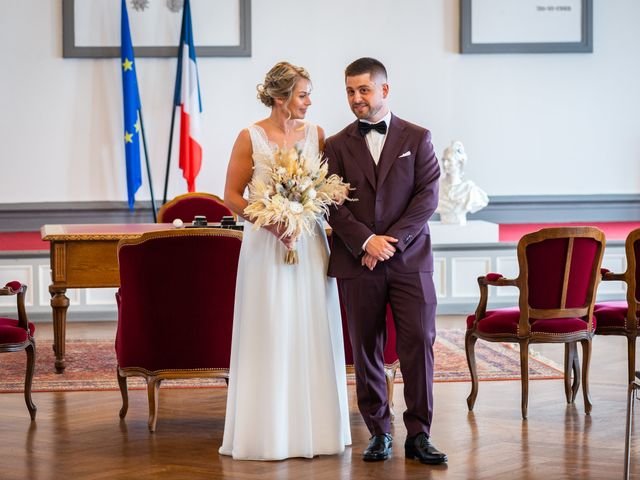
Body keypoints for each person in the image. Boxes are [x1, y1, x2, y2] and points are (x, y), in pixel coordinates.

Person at [219, 61, 351, 460]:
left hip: (309, 244)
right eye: (303, 94)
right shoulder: (251, 136)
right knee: (271, 325)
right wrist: (272, 222)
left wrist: (313, 208)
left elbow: (326, 189)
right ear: (280, 97)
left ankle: (318, 431)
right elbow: (231, 195)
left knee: (310, 325)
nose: (310, 102)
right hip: (265, 246)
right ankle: (267, 431)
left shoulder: (318, 135)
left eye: (309, 93)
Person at [324, 57, 447, 465]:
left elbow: (427, 196)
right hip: (358, 262)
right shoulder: (336, 146)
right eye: (350, 91)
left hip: (410, 260)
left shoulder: (419, 137)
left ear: (384, 91)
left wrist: (388, 242)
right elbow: (331, 205)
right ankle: (379, 431)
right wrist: (365, 242)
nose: (356, 99)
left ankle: (420, 433)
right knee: (366, 347)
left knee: (419, 344)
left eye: (364, 90)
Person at [436, 140, 488, 225]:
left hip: (461, 227)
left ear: (459, 163)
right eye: (443, 160)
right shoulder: (437, 187)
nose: (445, 164)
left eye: (449, 160)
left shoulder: (470, 189)